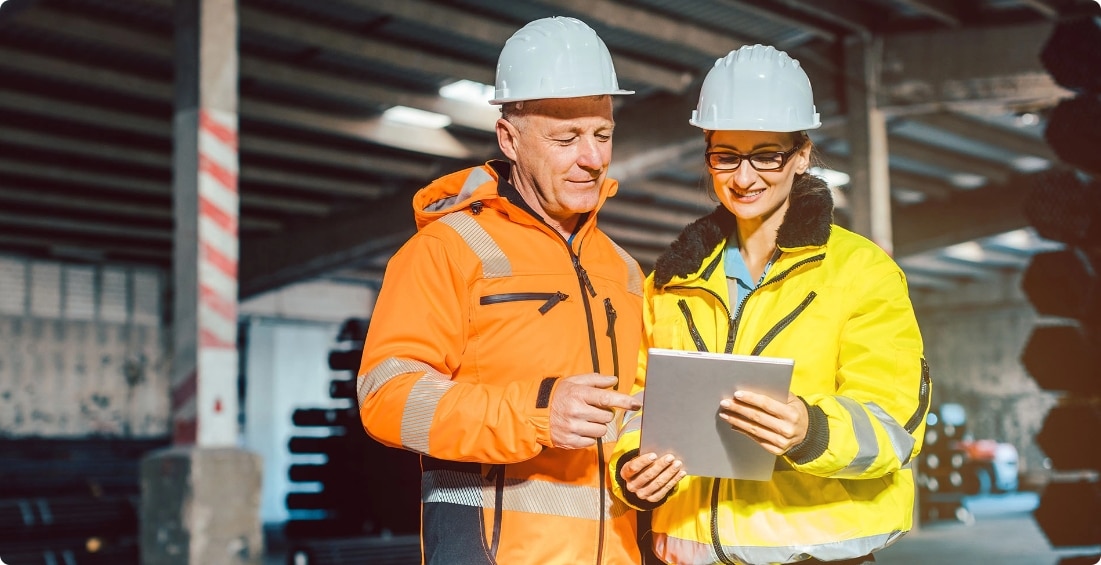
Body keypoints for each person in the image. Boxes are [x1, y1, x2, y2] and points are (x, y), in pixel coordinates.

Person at [609, 44, 932, 565]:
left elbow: (896, 425)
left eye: (766, 155)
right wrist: (632, 469)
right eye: (726, 156)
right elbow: (635, 406)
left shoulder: (861, 272)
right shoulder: (670, 283)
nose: (743, 177)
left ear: (801, 155)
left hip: (815, 555)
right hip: (688, 552)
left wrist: (812, 429)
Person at [356, 16, 647, 565]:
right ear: (509, 139)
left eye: (602, 135)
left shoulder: (624, 271)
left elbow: (631, 414)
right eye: (566, 138)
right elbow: (384, 398)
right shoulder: (447, 249)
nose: (592, 158)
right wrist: (536, 413)